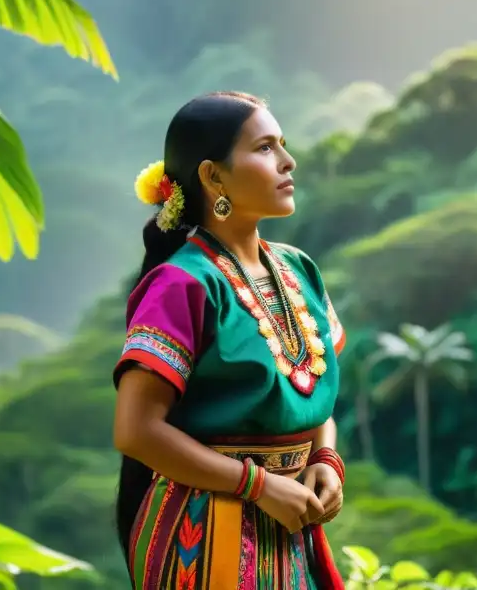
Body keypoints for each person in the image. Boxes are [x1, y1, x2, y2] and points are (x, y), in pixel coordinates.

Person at [113, 91, 348, 589]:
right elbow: (136, 431)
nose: (289, 161)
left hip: (291, 528)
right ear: (212, 176)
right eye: (265, 148)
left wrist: (325, 457)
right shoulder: (182, 284)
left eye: (282, 144)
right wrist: (258, 485)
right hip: (201, 534)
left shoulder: (299, 269)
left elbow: (309, 397)